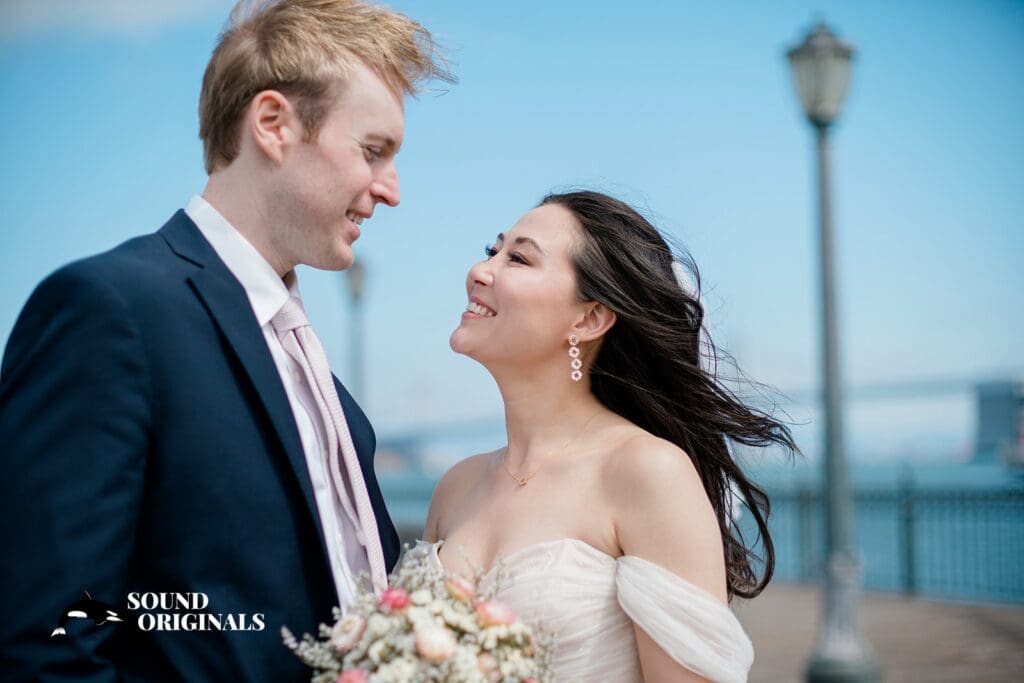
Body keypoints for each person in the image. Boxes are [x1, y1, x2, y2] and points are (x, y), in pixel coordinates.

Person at [0, 1, 452, 680]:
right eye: (373, 150)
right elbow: (48, 638)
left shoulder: (341, 410)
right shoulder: (110, 311)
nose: (391, 190)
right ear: (272, 124)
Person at [423, 190, 798, 682]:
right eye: (493, 250)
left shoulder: (646, 472)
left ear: (589, 318)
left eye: (518, 258)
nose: (481, 269)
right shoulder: (458, 485)